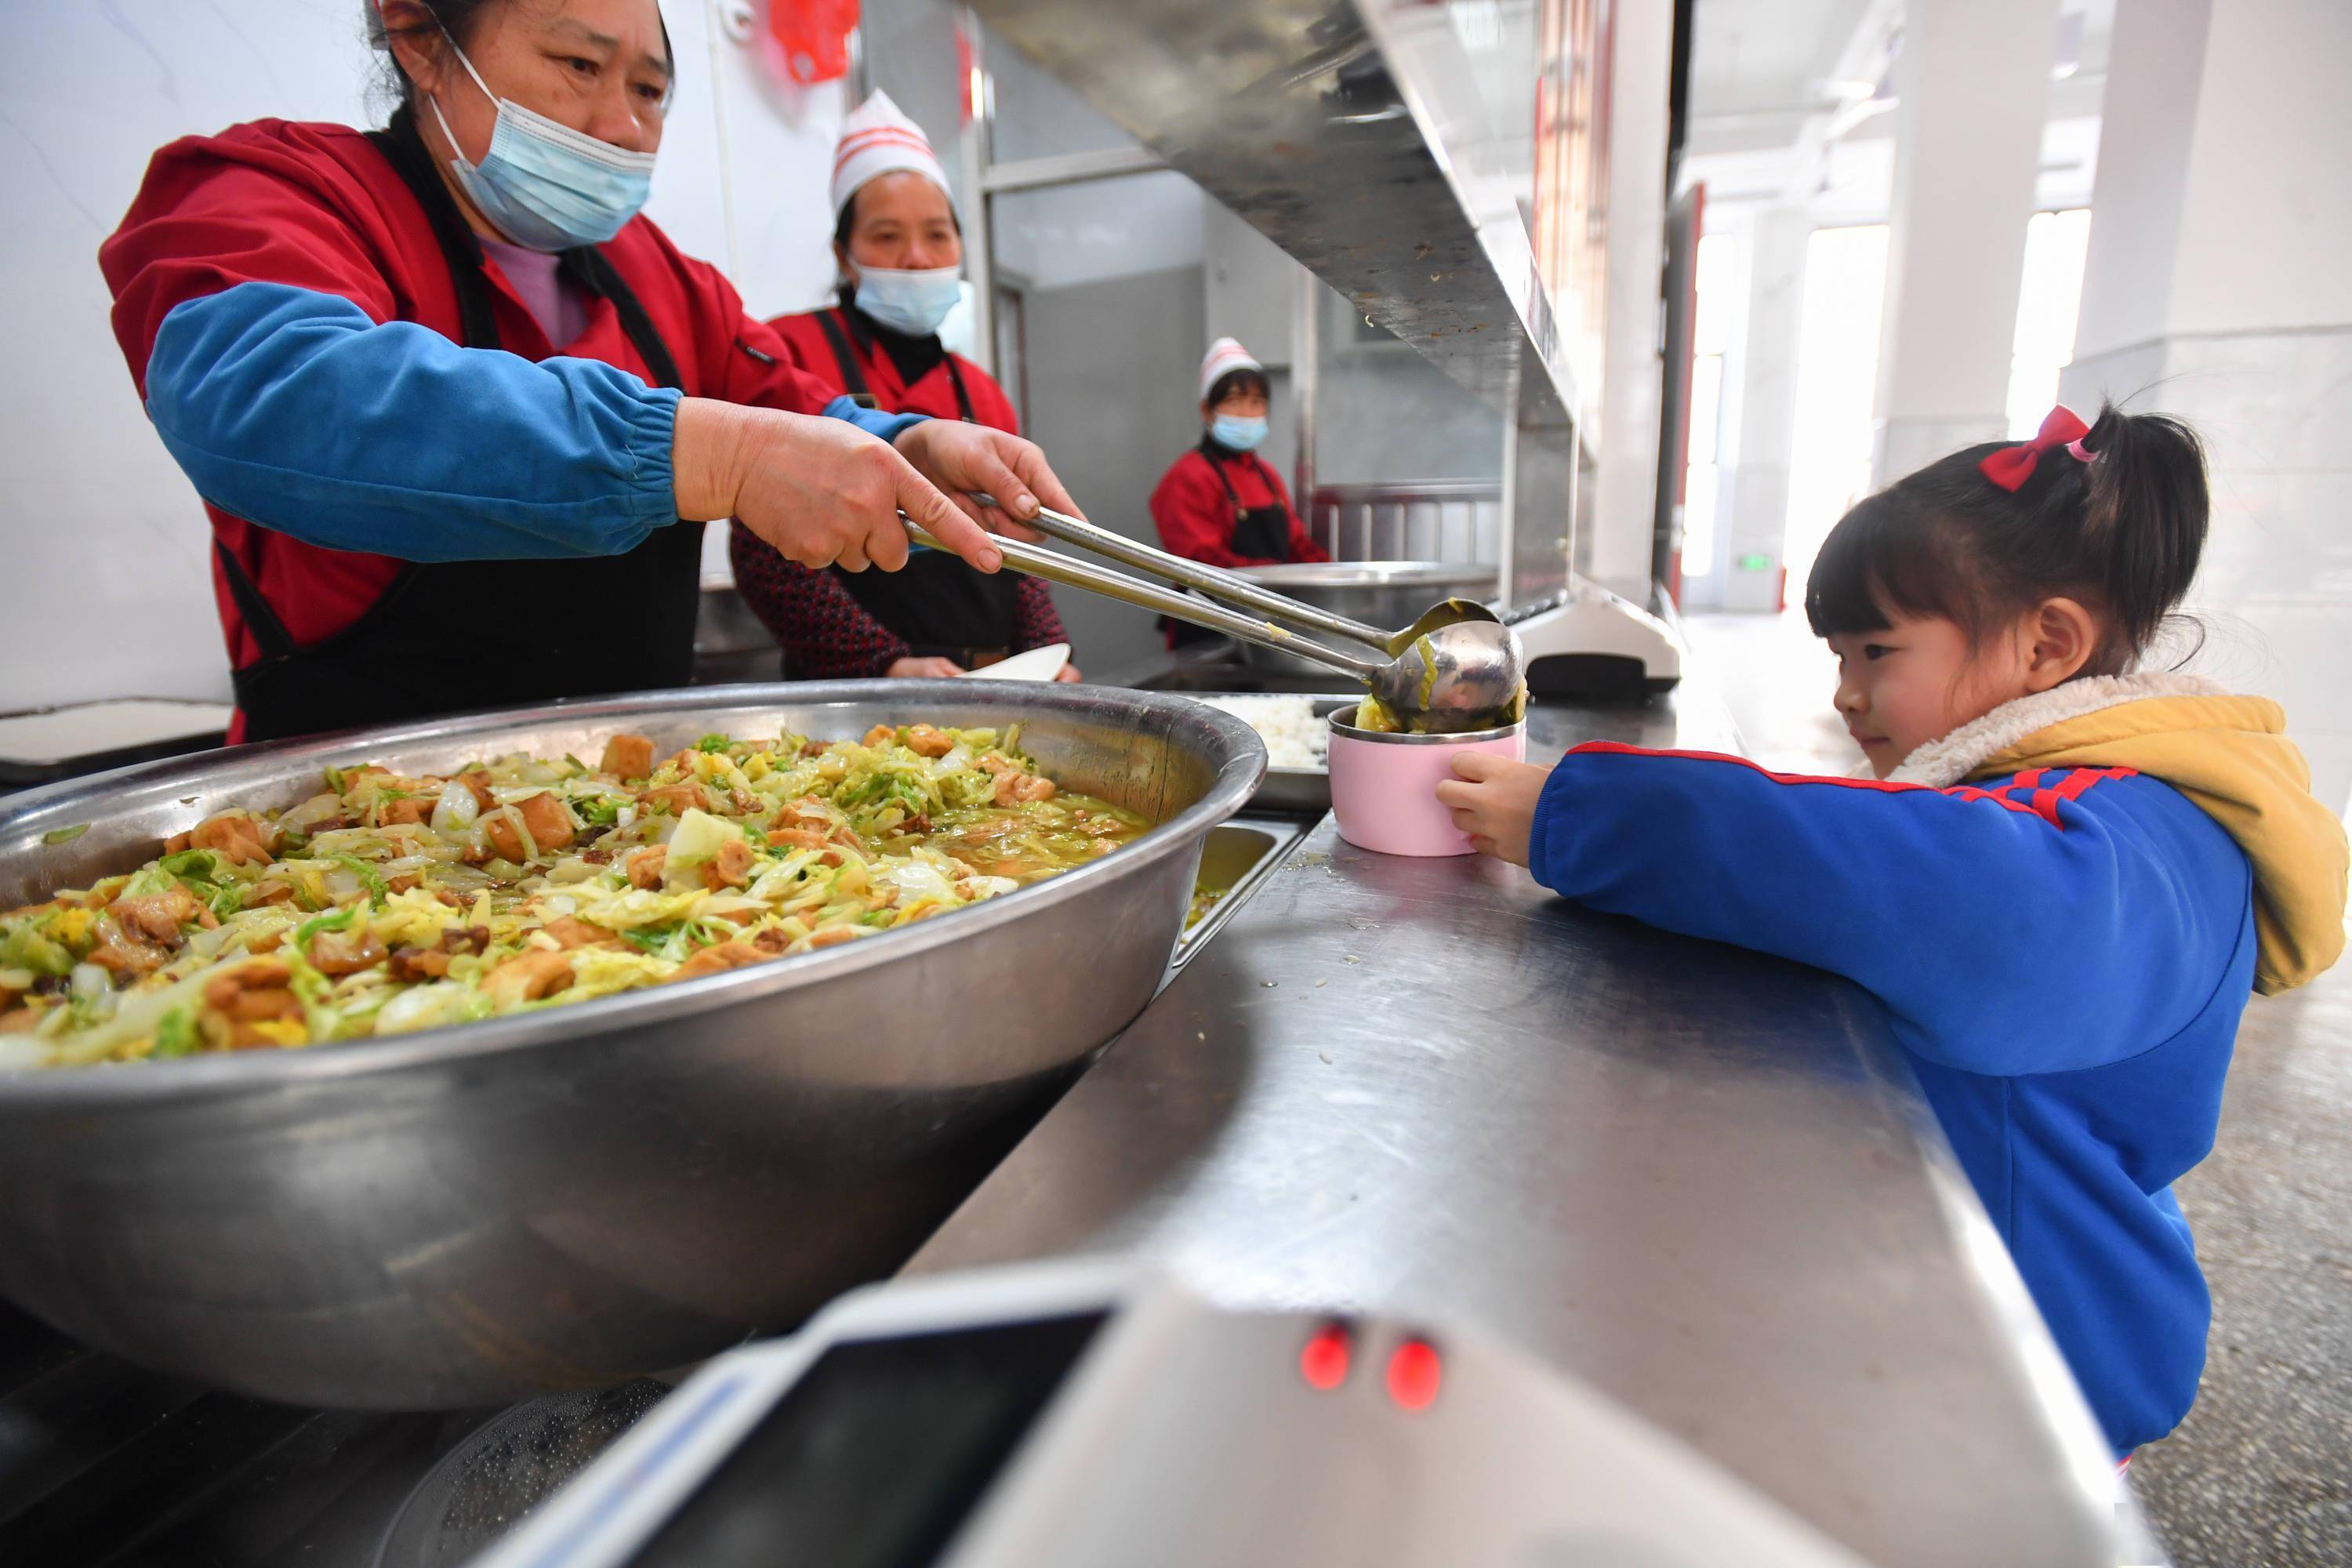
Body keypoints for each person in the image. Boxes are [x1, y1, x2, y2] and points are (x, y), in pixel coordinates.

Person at [1437, 405, 2349, 1460]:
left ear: (2049, 645)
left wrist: (1572, 817)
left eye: (1878, 651)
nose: (1847, 693)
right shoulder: (2127, 803)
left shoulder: (2107, 854)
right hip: (2012, 1302)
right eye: (1836, 653)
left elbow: (1910, 885)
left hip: (2030, 1345)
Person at [98, 0, 1077, 743]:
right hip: (352, 830)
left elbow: (784, 399)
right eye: (578, 65)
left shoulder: (661, 279)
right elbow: (271, 394)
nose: (621, 128)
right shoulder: (283, 195)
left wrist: (904, 441)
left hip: (637, 828)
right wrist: (701, 455)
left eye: (650, 91)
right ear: (418, 34)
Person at [731, 91, 1077, 682]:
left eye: (937, 235)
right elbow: (761, 544)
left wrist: (1050, 653)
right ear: (845, 255)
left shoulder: (980, 392)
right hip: (849, 694)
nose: (917, 258)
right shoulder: (789, 350)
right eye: (887, 236)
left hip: (990, 681)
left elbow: (1017, 551)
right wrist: (881, 664)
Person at [1149, 338, 1326, 565]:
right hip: (1210, 600)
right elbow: (1202, 560)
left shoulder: (1267, 475)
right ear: (1207, 410)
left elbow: (1297, 543)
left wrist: (1326, 570)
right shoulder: (1187, 477)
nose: (1246, 412)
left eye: (1256, 402)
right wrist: (1274, 579)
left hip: (1273, 596)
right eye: (1233, 401)